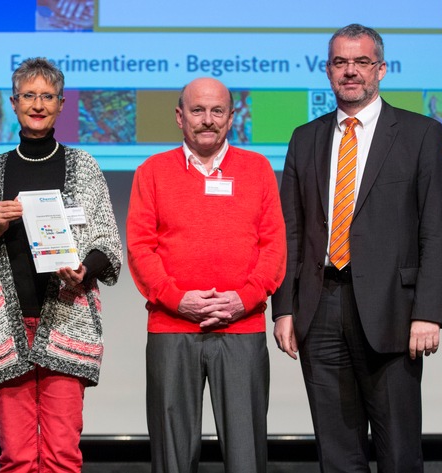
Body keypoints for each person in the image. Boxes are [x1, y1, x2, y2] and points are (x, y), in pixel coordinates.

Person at [272, 24, 442, 473]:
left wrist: (428, 311)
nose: (350, 71)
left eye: (361, 62)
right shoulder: (305, 137)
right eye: (340, 62)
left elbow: (437, 230)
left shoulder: (421, 134)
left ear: (381, 70)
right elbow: (291, 231)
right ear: (328, 71)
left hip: (393, 310)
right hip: (320, 307)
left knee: (398, 450)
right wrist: (284, 308)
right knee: (336, 452)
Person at [0, 57, 122, 473]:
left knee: (63, 456)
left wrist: (85, 270)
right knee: (17, 457)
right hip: (4, 330)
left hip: (67, 322)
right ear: (13, 103)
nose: (38, 104)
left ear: (61, 104)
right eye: (29, 95)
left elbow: (108, 245)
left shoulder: (84, 166)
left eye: (47, 96)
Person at [127, 77, 286, 473]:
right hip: (171, 325)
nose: (207, 120)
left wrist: (242, 299)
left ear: (232, 118)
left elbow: (275, 248)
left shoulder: (258, 169)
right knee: (172, 456)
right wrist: (177, 298)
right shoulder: (152, 171)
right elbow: (139, 248)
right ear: (180, 117)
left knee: (247, 455)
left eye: (218, 111)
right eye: (198, 110)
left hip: (241, 326)